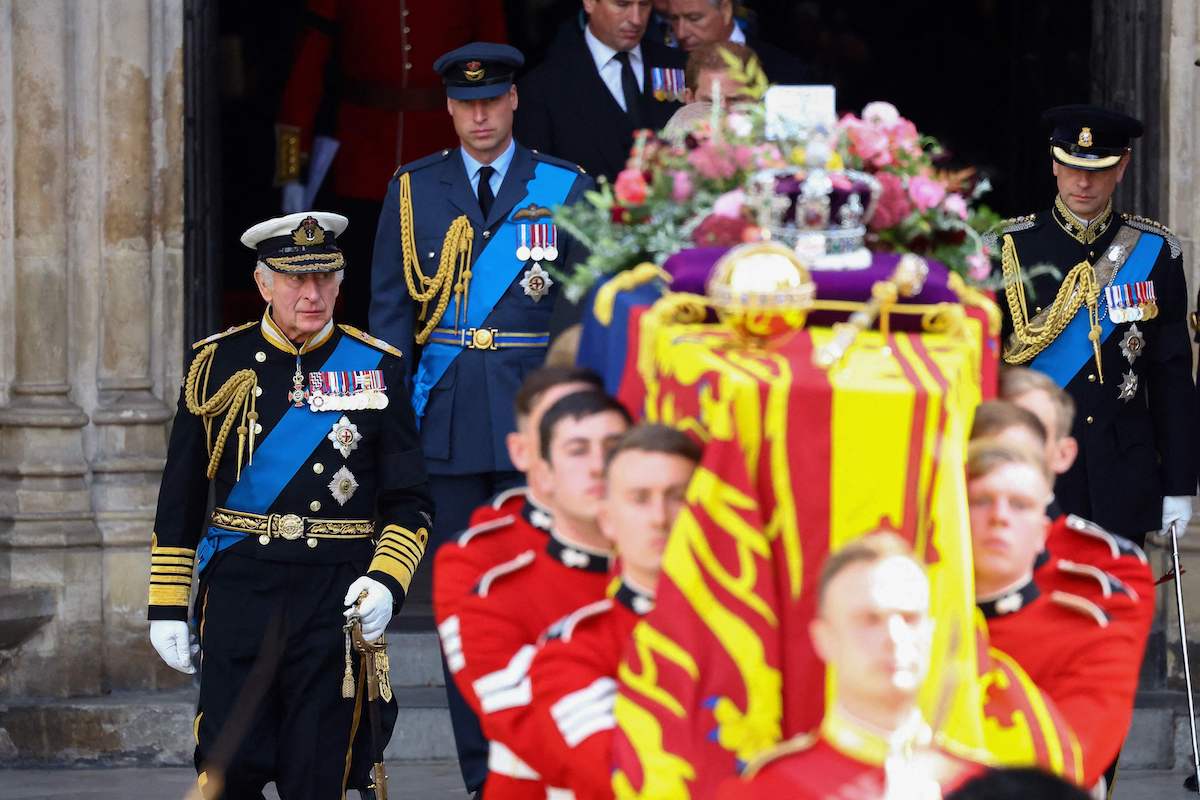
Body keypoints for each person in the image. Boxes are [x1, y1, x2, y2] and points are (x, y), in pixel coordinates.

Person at [147, 212, 434, 798]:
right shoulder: (215, 365)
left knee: (319, 772)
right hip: (241, 592)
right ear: (262, 284)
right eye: (296, 279)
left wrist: (386, 580)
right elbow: (179, 500)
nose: (312, 294)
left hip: (333, 596)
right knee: (230, 767)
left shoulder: (377, 366)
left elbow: (409, 500)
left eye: (326, 278)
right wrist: (166, 604)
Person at [370, 42, 595, 553]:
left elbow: (580, 305)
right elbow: (391, 310)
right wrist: (395, 415)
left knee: (536, 569)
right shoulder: (413, 189)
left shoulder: (565, 186)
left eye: (491, 100)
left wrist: (566, 400)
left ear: (513, 99)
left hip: (532, 403)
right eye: (467, 103)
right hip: (447, 411)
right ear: (449, 106)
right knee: (459, 568)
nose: (480, 115)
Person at [994, 104, 1198, 546]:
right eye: (1070, 167)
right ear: (1053, 163)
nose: (1083, 182)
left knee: (1116, 609)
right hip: (1035, 469)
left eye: (1099, 169)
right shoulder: (1009, 248)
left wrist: (1180, 483)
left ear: (1122, 167)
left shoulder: (1156, 252)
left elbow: (1172, 376)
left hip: (1122, 474)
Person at [274, 1, 509, 329]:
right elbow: (307, 69)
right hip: (364, 157)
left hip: (446, 152)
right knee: (362, 294)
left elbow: (494, 66)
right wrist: (291, 168)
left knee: (451, 288)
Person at [450, 391, 632, 798]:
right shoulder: (496, 594)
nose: (598, 467)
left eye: (612, 449)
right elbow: (538, 730)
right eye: (577, 451)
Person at [717, 533, 982, 799]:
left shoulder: (983, 785)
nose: (894, 637)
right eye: (869, 620)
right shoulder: (769, 790)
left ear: (929, 633)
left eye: (909, 619)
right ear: (824, 639)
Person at [519, 424, 701, 800]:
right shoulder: (572, 650)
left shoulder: (752, 636)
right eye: (639, 498)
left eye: (676, 497)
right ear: (607, 520)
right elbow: (615, 775)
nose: (659, 518)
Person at [965, 441, 1153, 791]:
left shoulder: (1090, 635)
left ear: (1043, 532)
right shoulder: (906, 619)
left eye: (1019, 505)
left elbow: (1064, 768)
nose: (999, 516)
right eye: (981, 501)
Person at [514, 0, 688, 183]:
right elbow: (540, 180)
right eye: (622, 4)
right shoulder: (542, 87)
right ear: (589, 3)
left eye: (644, 5)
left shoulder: (678, 66)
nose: (636, 19)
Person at [665, 0, 809, 84]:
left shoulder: (785, 69)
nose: (680, 33)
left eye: (694, 18)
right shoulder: (666, 64)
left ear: (725, 10)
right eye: (674, 19)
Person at [661, 41, 761, 143]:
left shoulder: (774, 142)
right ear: (690, 99)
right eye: (710, 101)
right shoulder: (675, 143)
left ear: (756, 99)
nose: (722, 110)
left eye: (735, 100)